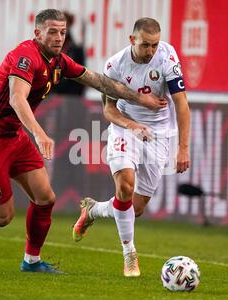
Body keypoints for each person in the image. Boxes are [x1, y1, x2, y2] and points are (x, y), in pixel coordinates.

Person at [0, 9, 166, 274]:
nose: (59, 37)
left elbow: (99, 81)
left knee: (45, 198)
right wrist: (38, 133)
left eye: (62, 32)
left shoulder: (58, 61)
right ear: (37, 33)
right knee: (1, 216)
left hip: (13, 136)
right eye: (52, 31)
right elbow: (17, 98)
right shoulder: (26, 57)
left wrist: (141, 99)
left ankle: (31, 262)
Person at [72, 17, 191, 277]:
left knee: (135, 207)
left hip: (159, 134)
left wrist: (183, 148)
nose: (151, 51)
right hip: (126, 128)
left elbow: (181, 103)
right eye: (146, 45)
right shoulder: (115, 65)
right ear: (132, 40)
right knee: (125, 185)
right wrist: (132, 125)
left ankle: (93, 210)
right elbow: (109, 110)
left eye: (155, 45)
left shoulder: (168, 56)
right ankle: (130, 256)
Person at [52, 11, 86, 95]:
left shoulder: (76, 50)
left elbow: (81, 77)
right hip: (52, 96)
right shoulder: (50, 48)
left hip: (70, 97)